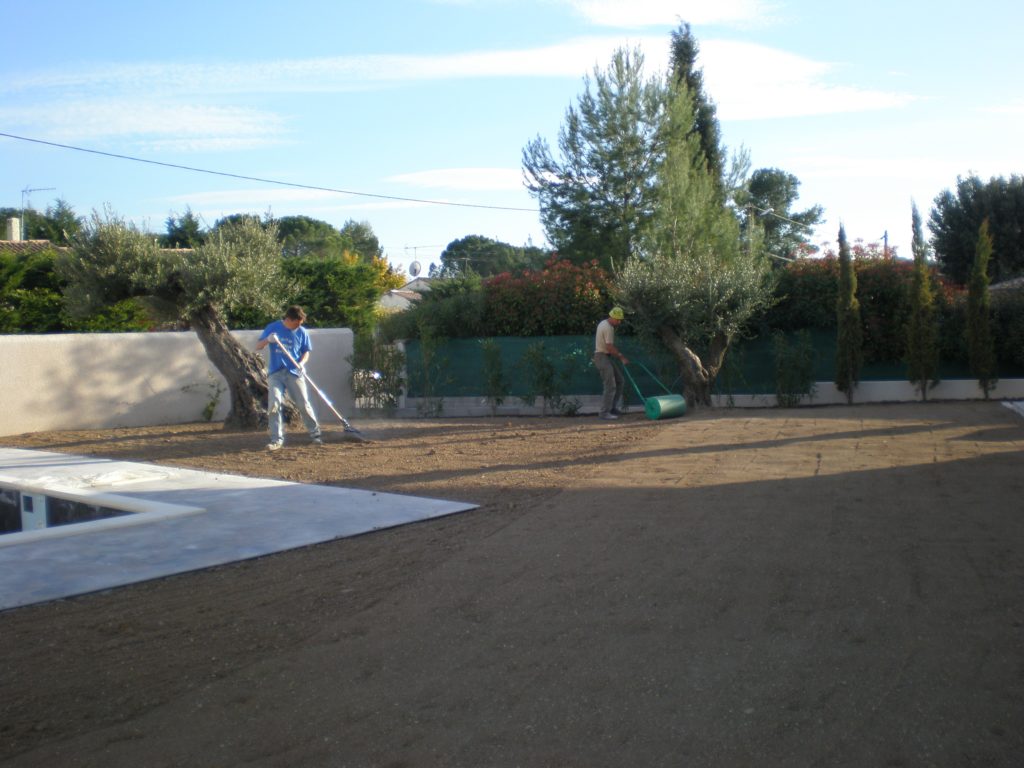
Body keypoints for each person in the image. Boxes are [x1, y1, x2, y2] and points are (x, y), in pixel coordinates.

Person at [255, 305, 322, 450]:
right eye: (297, 323)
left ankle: (315, 435)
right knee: (274, 405)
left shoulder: (302, 332)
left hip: (294, 373)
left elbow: (306, 352)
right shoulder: (273, 327)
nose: (299, 326)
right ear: (289, 319)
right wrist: (268, 339)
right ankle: (276, 440)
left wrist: (302, 363)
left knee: (304, 404)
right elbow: (258, 346)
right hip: (276, 374)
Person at [593, 306, 629, 420]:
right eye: (618, 320)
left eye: (620, 320)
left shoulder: (603, 323)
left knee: (620, 381)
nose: (619, 322)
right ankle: (604, 412)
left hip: (604, 357)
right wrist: (621, 357)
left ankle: (612, 408)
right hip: (601, 356)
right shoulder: (608, 328)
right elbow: (609, 347)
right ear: (612, 317)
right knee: (610, 385)